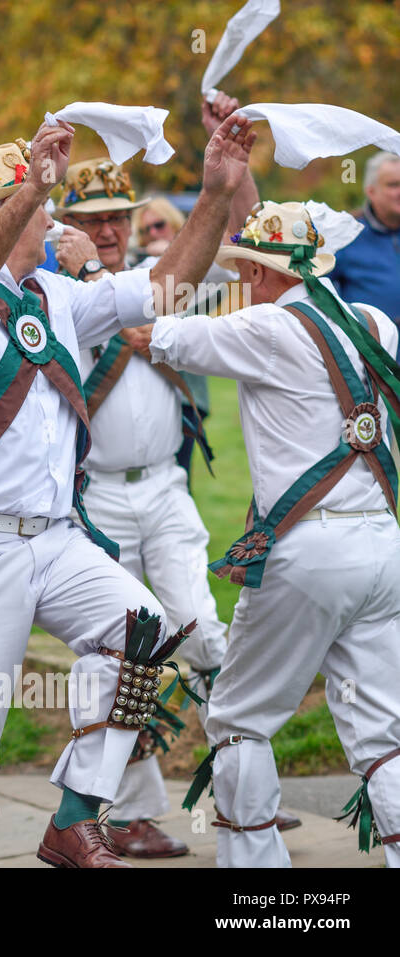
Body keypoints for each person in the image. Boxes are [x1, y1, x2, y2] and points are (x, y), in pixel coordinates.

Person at [0, 113, 255, 868]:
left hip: (54, 537)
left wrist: (216, 194)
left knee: (144, 630)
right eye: (41, 206)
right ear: (3, 214)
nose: (54, 219)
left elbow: (165, 287)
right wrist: (32, 189)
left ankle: (77, 818)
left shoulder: (53, 293)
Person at [154, 200, 400, 868]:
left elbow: (165, 335)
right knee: (384, 734)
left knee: (237, 717)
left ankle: (257, 878)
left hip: (310, 551)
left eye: (244, 269)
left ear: (260, 274)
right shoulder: (376, 322)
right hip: (384, 545)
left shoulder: (262, 324)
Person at [50, 94, 257, 857]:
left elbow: (249, 251)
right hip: (93, 498)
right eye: (93, 218)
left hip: (164, 489)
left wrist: (231, 173)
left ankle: (243, 791)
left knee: (202, 632)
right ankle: (124, 812)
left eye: (118, 217)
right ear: (65, 223)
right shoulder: (50, 297)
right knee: (114, 653)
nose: (108, 230)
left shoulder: (159, 281)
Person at [331, 151, 400, 323]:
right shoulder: (347, 233)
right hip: (370, 348)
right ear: (371, 191)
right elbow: (318, 295)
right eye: (393, 185)